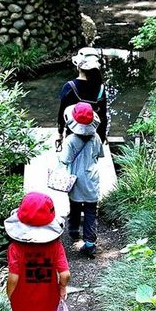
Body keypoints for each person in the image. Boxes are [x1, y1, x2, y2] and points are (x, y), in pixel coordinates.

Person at [61, 102, 104, 258]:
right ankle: (90, 244)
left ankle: (73, 230)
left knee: (75, 205)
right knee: (91, 210)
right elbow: (99, 155)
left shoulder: (71, 140)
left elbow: (65, 160)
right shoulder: (96, 137)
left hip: (76, 179)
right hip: (92, 178)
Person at [57, 47, 108, 145]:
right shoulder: (100, 87)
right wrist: (102, 135)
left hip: (73, 133)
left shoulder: (69, 87)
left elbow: (61, 114)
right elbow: (103, 115)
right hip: (94, 134)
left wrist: (60, 133)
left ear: (78, 66)